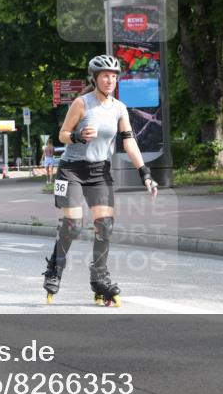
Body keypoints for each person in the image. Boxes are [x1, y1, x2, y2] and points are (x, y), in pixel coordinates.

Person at [43, 54, 158, 306]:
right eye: (105, 75)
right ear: (95, 78)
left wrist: (145, 173)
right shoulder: (81, 103)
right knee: (72, 225)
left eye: (114, 76)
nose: (110, 80)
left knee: (104, 226)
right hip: (71, 170)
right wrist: (78, 136)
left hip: (99, 171)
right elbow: (62, 135)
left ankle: (99, 279)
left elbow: (129, 141)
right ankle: (55, 268)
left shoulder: (119, 108)